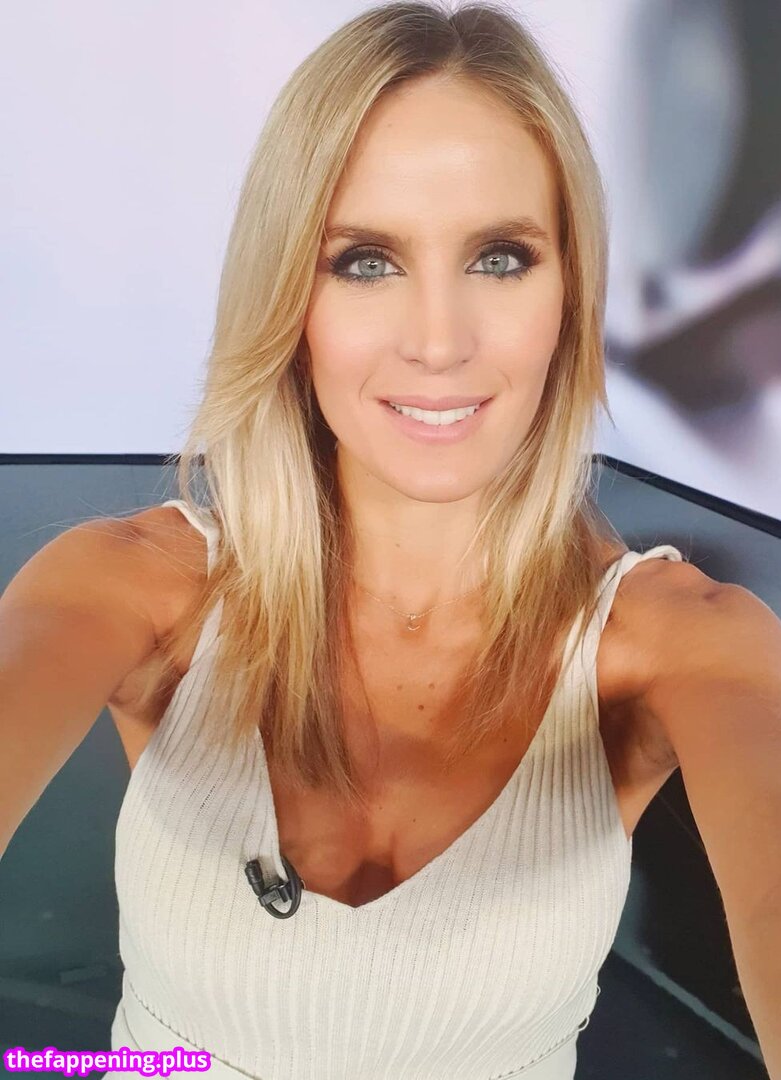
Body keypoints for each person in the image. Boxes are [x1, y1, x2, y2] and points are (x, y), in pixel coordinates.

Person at [1, 3, 688, 1077]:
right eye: (365, 262)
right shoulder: (135, 585)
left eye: (500, 257)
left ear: (572, 289)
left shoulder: (675, 643)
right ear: (288, 294)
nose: (438, 341)